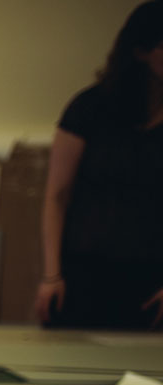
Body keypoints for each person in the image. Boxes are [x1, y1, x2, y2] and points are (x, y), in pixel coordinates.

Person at [34, 0, 163, 330]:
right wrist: (52, 275)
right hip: (86, 272)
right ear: (142, 52)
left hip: (150, 278)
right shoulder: (90, 108)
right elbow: (56, 196)